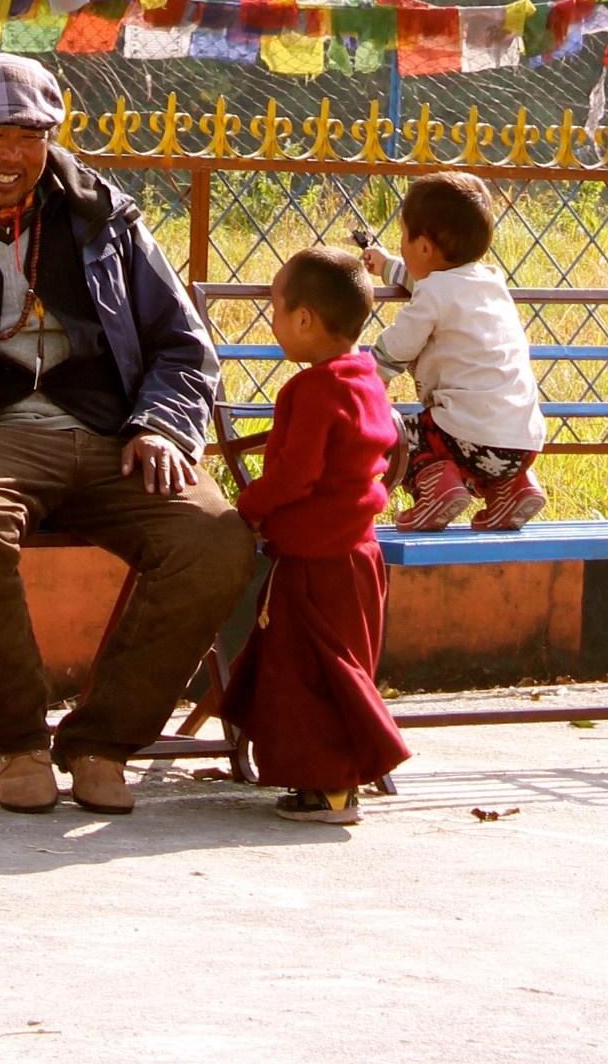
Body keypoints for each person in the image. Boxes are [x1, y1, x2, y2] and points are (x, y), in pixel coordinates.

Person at [0, 52, 255, 814]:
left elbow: (183, 344)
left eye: (31, 136)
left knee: (215, 540)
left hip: (116, 431)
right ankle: (18, 742)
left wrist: (165, 427)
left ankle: (104, 742)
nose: (12, 156)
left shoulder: (104, 217)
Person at [221, 246, 407, 825]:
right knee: (342, 664)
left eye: (275, 309)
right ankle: (331, 783)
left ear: (303, 320)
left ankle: (329, 790)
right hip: (359, 555)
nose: (272, 321)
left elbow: (295, 476)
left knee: (310, 675)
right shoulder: (366, 379)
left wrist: (246, 510)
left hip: (314, 561)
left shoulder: (310, 391)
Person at [361, 169, 547, 532]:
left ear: (424, 248)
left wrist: (366, 377)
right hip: (522, 445)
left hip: (467, 437)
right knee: (476, 444)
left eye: (403, 237)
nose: (401, 244)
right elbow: (432, 279)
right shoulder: (491, 283)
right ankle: (513, 489)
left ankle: (436, 489)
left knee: (397, 434)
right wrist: (387, 267)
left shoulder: (433, 293)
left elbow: (398, 346)